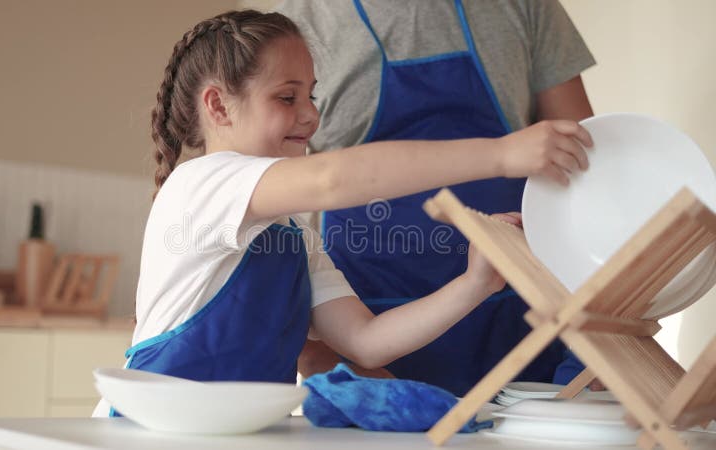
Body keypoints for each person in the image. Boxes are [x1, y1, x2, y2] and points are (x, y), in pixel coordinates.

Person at [92, 9, 592, 416]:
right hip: (150, 429)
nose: (311, 114)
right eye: (287, 97)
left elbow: (369, 342)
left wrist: (475, 284)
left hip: (233, 432)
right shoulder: (201, 183)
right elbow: (333, 180)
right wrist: (502, 155)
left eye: (311, 94)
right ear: (218, 108)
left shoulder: (292, 236)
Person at [274, 0, 597, 394]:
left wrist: (596, 339)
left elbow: (583, 169)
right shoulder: (295, 25)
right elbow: (280, 185)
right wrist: (319, 359)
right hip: (368, 332)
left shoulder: (526, 6)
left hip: (520, 318)